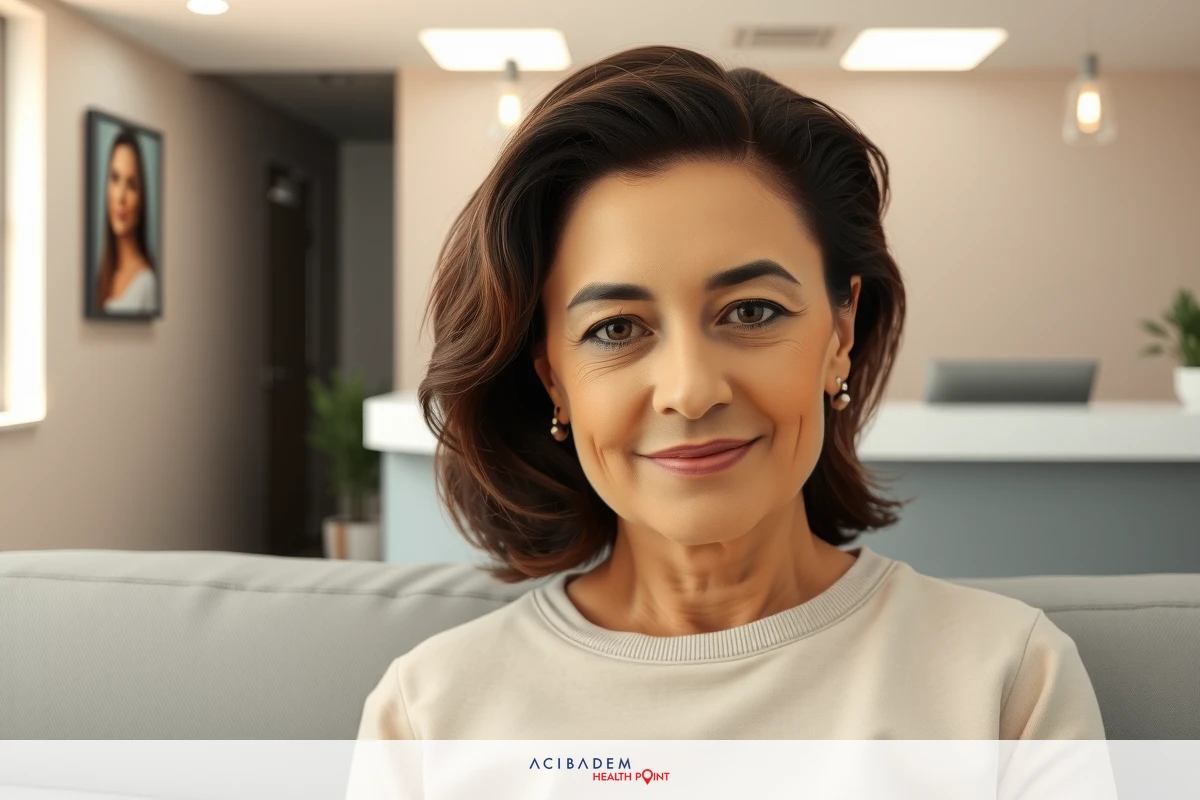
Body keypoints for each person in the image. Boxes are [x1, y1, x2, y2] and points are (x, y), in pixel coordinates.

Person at [355, 45, 1107, 741]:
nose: (689, 391)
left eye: (751, 312)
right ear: (552, 375)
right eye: (617, 329)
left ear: (840, 333)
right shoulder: (431, 711)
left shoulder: (1006, 679)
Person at [95, 129, 157, 315]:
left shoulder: (147, 283)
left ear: (141, 200)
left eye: (131, 185)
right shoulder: (103, 276)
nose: (120, 197)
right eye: (115, 178)